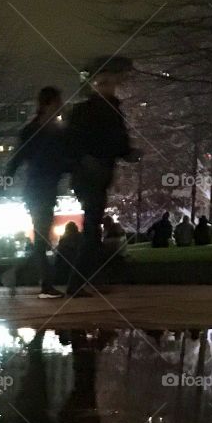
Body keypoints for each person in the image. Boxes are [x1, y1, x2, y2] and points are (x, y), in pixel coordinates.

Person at [65, 58, 134, 296]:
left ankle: (83, 279)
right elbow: (118, 143)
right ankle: (79, 281)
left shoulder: (85, 111)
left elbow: (72, 142)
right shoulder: (108, 111)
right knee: (92, 227)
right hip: (94, 174)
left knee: (92, 226)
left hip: (89, 175)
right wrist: (126, 153)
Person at [8, 85, 67, 298]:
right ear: (48, 104)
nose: (61, 106)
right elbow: (18, 157)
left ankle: (18, 275)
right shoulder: (39, 131)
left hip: (44, 190)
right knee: (42, 238)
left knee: (42, 238)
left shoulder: (50, 131)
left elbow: (18, 158)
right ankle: (44, 284)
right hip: (38, 190)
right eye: (58, 103)